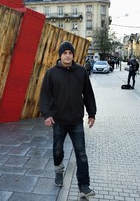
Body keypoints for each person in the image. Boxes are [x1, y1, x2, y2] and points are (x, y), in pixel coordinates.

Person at [39, 41, 97, 198]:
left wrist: (92, 114)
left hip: (76, 120)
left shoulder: (81, 72)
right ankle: (59, 171)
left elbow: (88, 93)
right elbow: (44, 95)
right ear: (60, 55)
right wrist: (46, 114)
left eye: (70, 53)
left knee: (81, 154)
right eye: (64, 53)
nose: (67, 55)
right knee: (58, 150)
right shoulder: (51, 73)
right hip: (58, 120)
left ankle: (84, 186)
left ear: (73, 55)